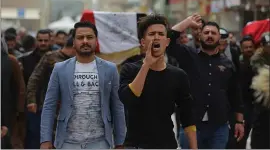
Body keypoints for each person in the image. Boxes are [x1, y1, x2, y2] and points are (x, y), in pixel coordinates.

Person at [40, 21, 126, 149]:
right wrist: (45, 140)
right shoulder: (60, 69)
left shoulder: (110, 69)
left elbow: (117, 106)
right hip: (67, 142)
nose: (85, 41)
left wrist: (120, 142)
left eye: (89, 37)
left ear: (96, 41)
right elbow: (49, 106)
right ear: (73, 42)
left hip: (100, 142)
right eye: (80, 37)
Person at [118, 14, 197, 149]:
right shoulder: (129, 69)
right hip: (135, 145)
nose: (156, 37)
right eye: (152, 34)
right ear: (143, 42)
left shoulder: (178, 75)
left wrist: (194, 148)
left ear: (166, 42)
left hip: (166, 145)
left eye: (161, 34)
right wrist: (146, 65)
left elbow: (187, 116)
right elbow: (128, 99)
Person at [168, 15, 244, 149]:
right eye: (206, 32)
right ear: (200, 36)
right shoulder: (188, 55)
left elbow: (235, 94)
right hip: (191, 125)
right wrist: (187, 22)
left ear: (219, 38)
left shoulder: (227, 63)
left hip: (219, 127)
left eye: (214, 33)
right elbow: (168, 40)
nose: (210, 35)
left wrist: (239, 121)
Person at [18, 29, 52, 149]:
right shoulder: (25, 60)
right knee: (33, 136)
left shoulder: (58, 59)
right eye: (40, 40)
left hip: (53, 105)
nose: (43, 43)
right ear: (36, 41)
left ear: (50, 40)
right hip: (33, 105)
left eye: (46, 40)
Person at [227, 36, 256, 149]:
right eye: (246, 47)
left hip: (253, 106)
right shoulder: (237, 63)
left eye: (251, 47)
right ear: (241, 48)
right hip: (240, 106)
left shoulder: (258, 64)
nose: (249, 49)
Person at [250, 32, 270, 149]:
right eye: (268, 45)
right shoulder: (257, 58)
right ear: (262, 45)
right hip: (261, 100)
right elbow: (261, 71)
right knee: (260, 133)